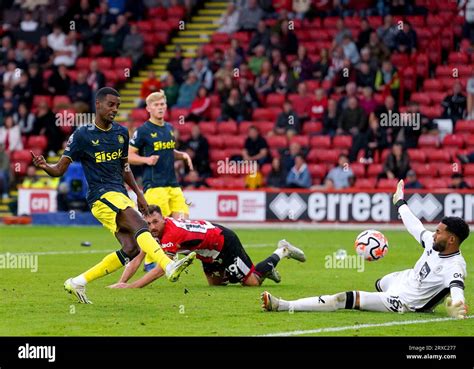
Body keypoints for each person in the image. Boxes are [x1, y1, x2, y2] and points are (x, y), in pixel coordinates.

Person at [31, 87, 196, 304]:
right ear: (97, 105)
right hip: (100, 196)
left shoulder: (120, 133)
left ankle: (78, 281)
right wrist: (45, 166)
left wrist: (139, 194)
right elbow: (60, 169)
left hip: (119, 194)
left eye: (117, 105)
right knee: (141, 226)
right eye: (111, 104)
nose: (115, 109)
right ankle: (168, 265)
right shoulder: (82, 135)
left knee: (131, 248)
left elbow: (125, 167)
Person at [262, 180, 469, 320]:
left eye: (439, 232)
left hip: (403, 301)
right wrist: (400, 202)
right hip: (402, 280)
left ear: (451, 239)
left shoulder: (455, 266)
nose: (434, 234)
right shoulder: (434, 244)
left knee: (343, 299)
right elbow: (415, 226)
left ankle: (282, 305)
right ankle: (381, 291)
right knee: (379, 283)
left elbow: (457, 288)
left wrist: (456, 305)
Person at [109, 205, 306, 288]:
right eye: (148, 223)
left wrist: (133, 287)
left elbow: (162, 269)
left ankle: (282, 251)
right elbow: (138, 257)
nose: (152, 227)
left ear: (163, 219)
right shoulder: (154, 232)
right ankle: (257, 271)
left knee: (251, 282)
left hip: (223, 243)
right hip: (206, 252)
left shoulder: (171, 233)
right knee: (216, 285)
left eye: (155, 222)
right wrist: (121, 282)